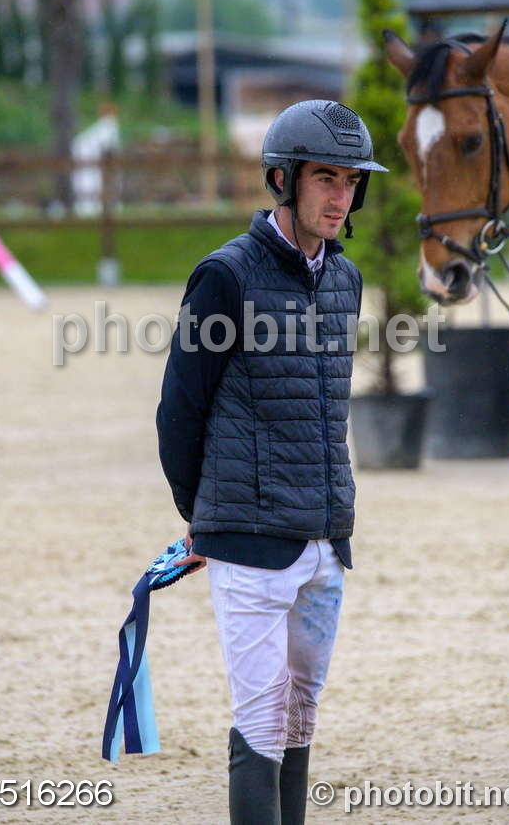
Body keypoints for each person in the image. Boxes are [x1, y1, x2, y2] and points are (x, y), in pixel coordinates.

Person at [156, 99, 387, 824]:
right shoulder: (225, 276)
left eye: (351, 181)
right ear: (283, 179)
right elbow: (178, 411)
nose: (340, 196)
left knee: (298, 720)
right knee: (259, 722)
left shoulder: (346, 281)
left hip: (324, 539)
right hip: (247, 541)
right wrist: (203, 516)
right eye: (325, 178)